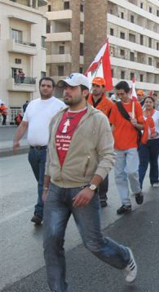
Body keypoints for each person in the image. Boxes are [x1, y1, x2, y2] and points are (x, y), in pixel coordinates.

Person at [43, 73, 138, 290]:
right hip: (57, 190)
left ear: (84, 92)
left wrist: (92, 187)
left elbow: (108, 156)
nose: (66, 91)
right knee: (51, 244)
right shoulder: (57, 117)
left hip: (82, 189)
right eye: (64, 87)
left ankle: (124, 258)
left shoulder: (98, 119)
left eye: (72, 88)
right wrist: (46, 187)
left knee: (93, 243)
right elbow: (51, 154)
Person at [13, 77, 65, 224]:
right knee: (42, 183)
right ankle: (54, 201)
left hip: (48, 151)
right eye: (43, 85)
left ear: (53, 89)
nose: (45, 88)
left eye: (48, 86)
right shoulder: (32, 105)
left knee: (43, 183)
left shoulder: (59, 105)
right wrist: (16, 140)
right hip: (33, 152)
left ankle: (39, 213)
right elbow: (24, 125)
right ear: (39, 87)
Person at [109, 81, 145, 215]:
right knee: (119, 175)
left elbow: (143, 126)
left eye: (122, 94)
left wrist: (137, 124)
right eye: (117, 94)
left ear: (128, 92)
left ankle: (137, 191)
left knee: (131, 172)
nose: (120, 96)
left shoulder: (136, 105)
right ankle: (125, 203)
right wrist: (108, 141)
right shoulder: (115, 106)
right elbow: (112, 125)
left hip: (132, 145)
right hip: (117, 146)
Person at [88, 76, 114, 207]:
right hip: (86, 138)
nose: (95, 88)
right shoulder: (85, 100)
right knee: (87, 166)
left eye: (98, 86)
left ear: (103, 88)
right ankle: (90, 191)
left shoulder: (109, 104)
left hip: (102, 138)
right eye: (93, 85)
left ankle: (102, 195)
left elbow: (113, 122)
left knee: (102, 166)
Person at [138, 96, 159, 189]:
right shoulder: (140, 114)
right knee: (143, 162)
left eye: (150, 102)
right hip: (143, 141)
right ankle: (139, 185)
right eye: (146, 102)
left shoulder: (158, 114)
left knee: (154, 161)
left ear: (153, 104)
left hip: (156, 141)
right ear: (144, 103)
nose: (148, 103)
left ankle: (154, 180)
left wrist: (157, 132)